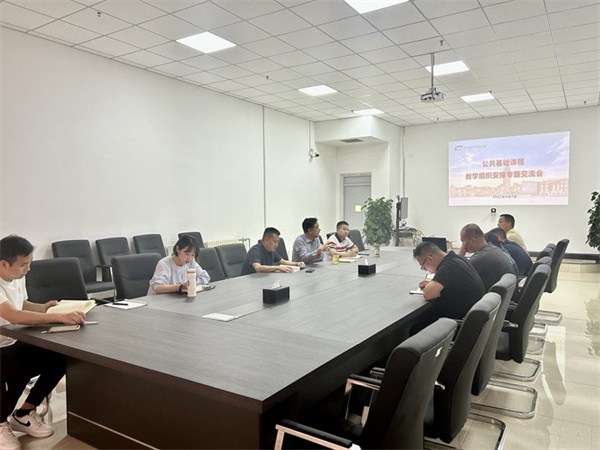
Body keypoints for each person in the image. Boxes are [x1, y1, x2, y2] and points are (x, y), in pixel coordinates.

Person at [0, 235, 86, 450]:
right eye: (24, 264)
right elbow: (13, 315)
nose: (28, 269)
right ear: (3, 264)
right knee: (17, 369)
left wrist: (44, 308)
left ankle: (24, 414)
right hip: (2, 347)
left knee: (59, 358)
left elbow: (21, 304)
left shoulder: (16, 277)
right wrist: (59, 317)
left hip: (13, 340)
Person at [413, 241, 485, 322]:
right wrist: (433, 283)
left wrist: (430, 287)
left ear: (430, 259)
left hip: (460, 321)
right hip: (472, 316)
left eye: (423, 266)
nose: (426, 270)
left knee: (417, 324)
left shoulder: (447, 267)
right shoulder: (458, 259)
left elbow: (427, 294)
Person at [458, 223, 517, 290]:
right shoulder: (493, 249)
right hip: (504, 294)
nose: (462, 245)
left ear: (472, 241)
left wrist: (460, 255)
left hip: (492, 294)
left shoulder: (481, 258)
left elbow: (455, 275)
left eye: (463, 242)